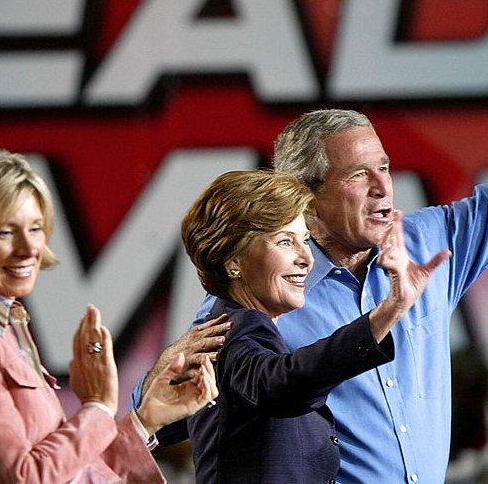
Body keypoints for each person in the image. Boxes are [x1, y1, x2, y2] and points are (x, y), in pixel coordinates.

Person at [136, 0, 488, 482]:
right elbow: (170, 406)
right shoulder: (268, 296)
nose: (383, 188)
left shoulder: (428, 244)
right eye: (357, 175)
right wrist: (151, 397)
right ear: (306, 193)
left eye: (386, 169)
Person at [0, 147, 219, 483]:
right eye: (5, 232)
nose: (28, 248)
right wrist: (98, 408)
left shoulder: (1, 326)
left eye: (35, 229)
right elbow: (22, 478)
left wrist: (146, 419)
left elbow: (70, 473)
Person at [179, 170, 448, 482]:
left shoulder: (241, 327)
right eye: (284, 241)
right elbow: (279, 383)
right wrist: (390, 309)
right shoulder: (233, 330)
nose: (306, 258)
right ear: (233, 261)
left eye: (304, 239)